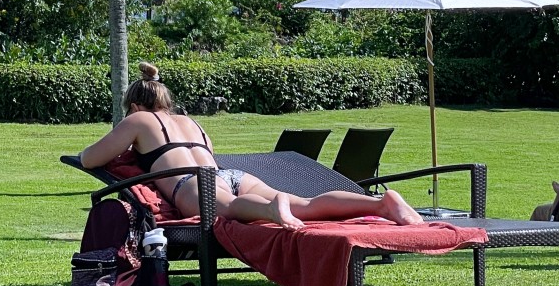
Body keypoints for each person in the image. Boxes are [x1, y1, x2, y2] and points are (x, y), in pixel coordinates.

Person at [78, 62, 424, 230]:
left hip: (190, 183)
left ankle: (271, 210)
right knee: (303, 203)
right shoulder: (190, 122)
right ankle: (380, 203)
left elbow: (91, 158)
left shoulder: (138, 120)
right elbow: (208, 155)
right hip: (229, 173)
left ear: (136, 105)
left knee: (227, 209)